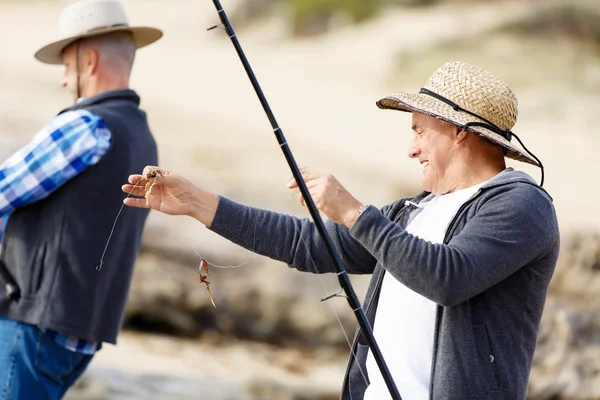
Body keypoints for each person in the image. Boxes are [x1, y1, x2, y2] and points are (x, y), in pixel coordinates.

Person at [122, 61, 560, 400]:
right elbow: (307, 245)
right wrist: (199, 203)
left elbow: (448, 278)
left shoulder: (522, 206)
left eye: (419, 132)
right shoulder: (418, 209)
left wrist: (353, 212)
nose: (411, 149)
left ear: (459, 132)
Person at [0, 0, 162, 398]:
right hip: (81, 334)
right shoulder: (143, 138)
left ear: (88, 61)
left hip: (34, 324)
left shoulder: (86, 126)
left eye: (65, 66)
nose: (62, 80)